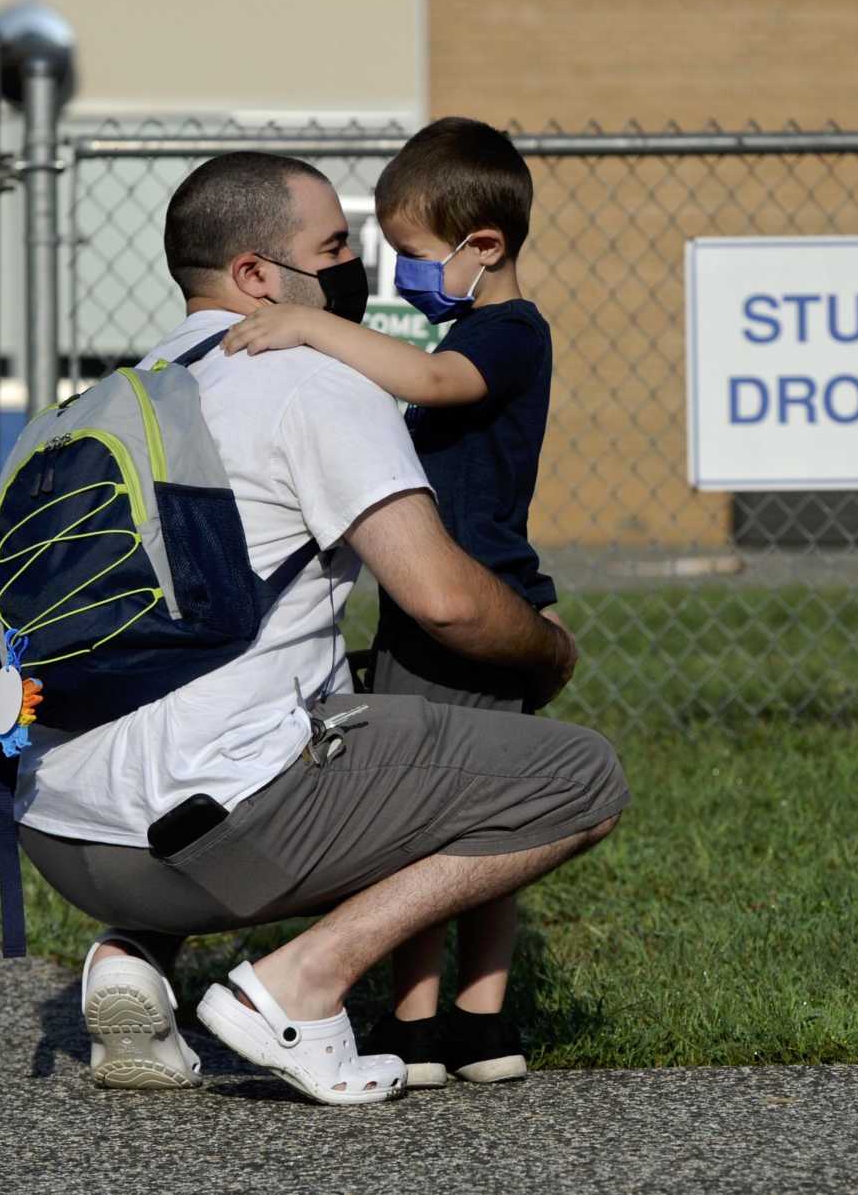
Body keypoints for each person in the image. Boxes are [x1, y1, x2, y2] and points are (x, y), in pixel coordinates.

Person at [10, 150, 629, 1106]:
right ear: (257, 276)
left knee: (232, 694)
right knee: (582, 776)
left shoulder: (117, 396)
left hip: (59, 832)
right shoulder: (309, 377)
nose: (358, 268)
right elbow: (447, 602)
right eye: (335, 246)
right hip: (208, 840)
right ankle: (298, 984)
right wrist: (551, 649)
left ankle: (134, 954)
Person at [219, 117, 556, 1088]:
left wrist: (312, 327)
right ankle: (441, 1026)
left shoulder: (506, 336)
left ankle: (454, 1022)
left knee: (466, 820)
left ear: (481, 247)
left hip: (475, 607)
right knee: (452, 817)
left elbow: (432, 380)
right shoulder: (474, 331)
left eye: (412, 253)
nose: (400, 275)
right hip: (440, 609)